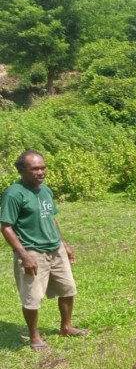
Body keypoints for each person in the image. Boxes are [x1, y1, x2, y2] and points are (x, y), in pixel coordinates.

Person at [0, 150, 89, 351]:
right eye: (35, 169)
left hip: (54, 248)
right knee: (32, 297)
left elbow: (51, 218)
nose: (41, 172)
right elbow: (6, 226)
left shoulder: (45, 190)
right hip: (32, 251)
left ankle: (66, 327)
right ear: (21, 170)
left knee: (68, 289)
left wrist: (64, 244)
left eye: (43, 167)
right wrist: (24, 255)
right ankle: (34, 336)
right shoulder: (14, 193)